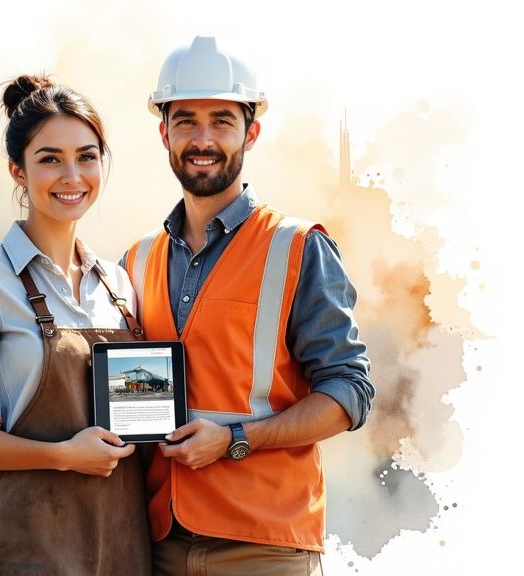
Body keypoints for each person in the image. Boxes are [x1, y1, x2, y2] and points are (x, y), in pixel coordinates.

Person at [121, 36, 376, 575]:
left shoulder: (298, 247)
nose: (202, 138)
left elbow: (348, 392)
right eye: (186, 120)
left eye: (222, 121)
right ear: (163, 132)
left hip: (264, 545)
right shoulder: (137, 260)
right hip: (158, 540)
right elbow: (107, 383)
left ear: (250, 132)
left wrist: (235, 440)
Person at [0, 74, 150, 576]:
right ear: (18, 171)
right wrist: (64, 455)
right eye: (50, 159)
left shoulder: (118, 282)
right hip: (24, 548)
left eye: (87, 156)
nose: (72, 175)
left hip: (120, 547)